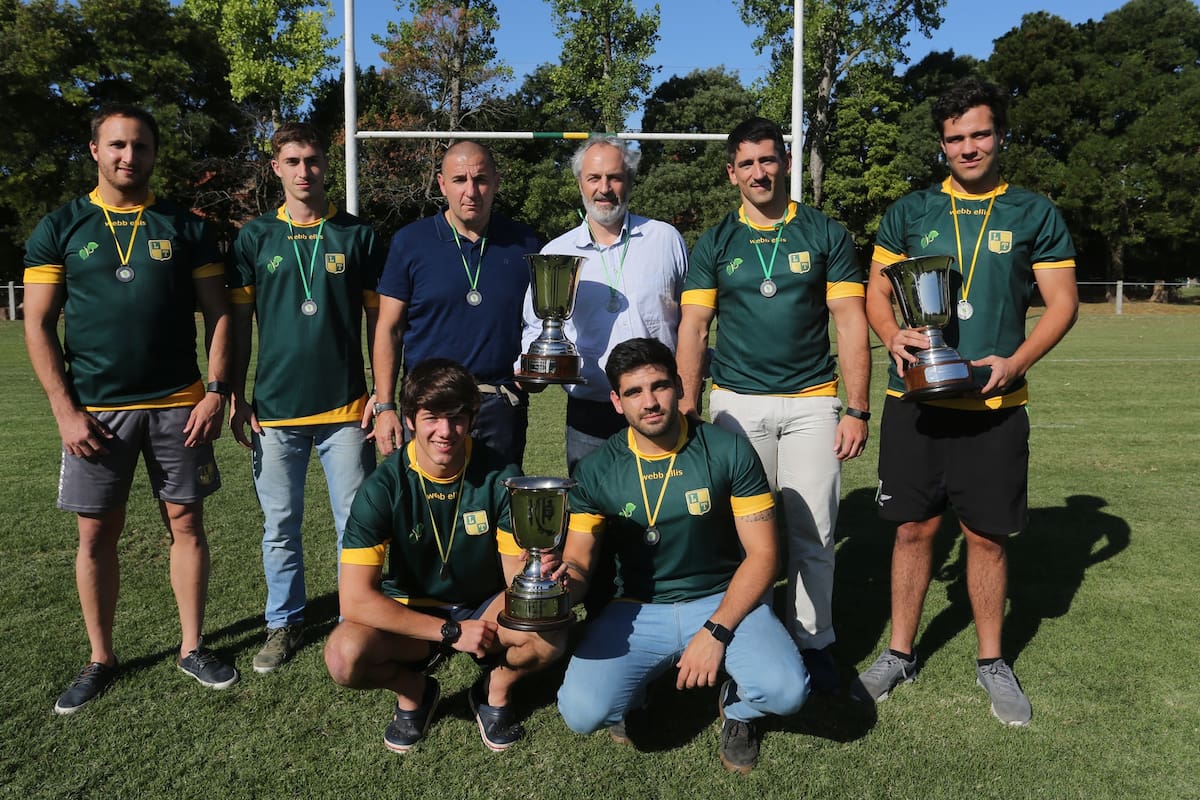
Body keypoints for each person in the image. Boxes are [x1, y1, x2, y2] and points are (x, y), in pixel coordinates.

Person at [856, 77, 1078, 727]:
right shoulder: (910, 210)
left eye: (980, 134)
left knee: (985, 536)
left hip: (994, 407)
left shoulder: (1033, 212)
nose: (969, 147)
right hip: (915, 400)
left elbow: (1062, 304)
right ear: (942, 145)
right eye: (956, 138)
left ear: (1000, 135)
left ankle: (991, 662)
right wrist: (890, 331)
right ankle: (898, 652)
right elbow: (876, 291)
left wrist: (1016, 362)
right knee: (913, 529)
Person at [23, 104, 238, 714]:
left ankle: (192, 646)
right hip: (96, 412)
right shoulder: (60, 226)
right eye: (117, 145)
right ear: (95, 150)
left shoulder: (184, 225)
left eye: (140, 146)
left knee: (187, 524)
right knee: (95, 535)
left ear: (153, 153)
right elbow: (36, 325)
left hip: (179, 406)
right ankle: (100, 658)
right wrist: (65, 411)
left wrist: (216, 391)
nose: (129, 156)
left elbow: (220, 314)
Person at [675, 117, 871, 692]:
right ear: (730, 172)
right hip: (737, 403)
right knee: (743, 537)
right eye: (747, 163)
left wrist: (856, 408)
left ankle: (815, 644)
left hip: (813, 401)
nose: (759, 172)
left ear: (785, 161)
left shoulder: (825, 232)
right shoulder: (713, 241)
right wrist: (689, 404)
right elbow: (693, 328)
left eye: (769, 159)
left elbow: (850, 322)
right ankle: (748, 643)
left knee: (815, 533)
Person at [555, 338, 809, 774]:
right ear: (616, 402)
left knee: (786, 692)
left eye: (659, 386)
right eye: (634, 392)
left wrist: (715, 632)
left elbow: (765, 556)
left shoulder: (727, 450)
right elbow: (578, 564)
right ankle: (637, 691)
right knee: (582, 712)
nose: (649, 402)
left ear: (678, 386)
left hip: (720, 600)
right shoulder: (596, 469)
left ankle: (738, 709)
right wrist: (559, 585)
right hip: (634, 609)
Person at [323, 359, 564, 754]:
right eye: (432, 417)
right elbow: (354, 599)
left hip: (483, 609)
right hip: (412, 614)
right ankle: (415, 691)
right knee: (342, 655)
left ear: (472, 418)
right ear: (411, 419)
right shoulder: (384, 486)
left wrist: (541, 577)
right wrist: (450, 633)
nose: (446, 431)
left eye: (457, 418)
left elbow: (513, 574)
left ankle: (493, 690)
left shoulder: (500, 474)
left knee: (548, 632)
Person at [228, 122, 384, 674]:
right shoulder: (254, 237)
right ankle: (284, 622)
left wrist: (382, 395)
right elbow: (239, 326)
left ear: (327, 164)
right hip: (273, 411)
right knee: (280, 525)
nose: (304, 171)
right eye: (292, 161)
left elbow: (380, 323)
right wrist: (234, 393)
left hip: (346, 410)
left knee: (355, 524)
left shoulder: (357, 234)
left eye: (313, 160)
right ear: (276, 167)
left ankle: (356, 615)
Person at [522, 136, 688, 474]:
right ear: (580, 183)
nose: (604, 188)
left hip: (658, 406)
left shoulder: (665, 239)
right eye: (594, 178)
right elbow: (536, 328)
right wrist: (532, 367)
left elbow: (692, 321)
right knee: (593, 517)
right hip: (590, 415)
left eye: (614, 177)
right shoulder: (557, 251)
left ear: (628, 180)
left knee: (664, 513)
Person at [372, 141, 540, 467]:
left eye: (480, 179)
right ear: (441, 183)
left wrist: (535, 370)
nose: (471, 191)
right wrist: (385, 406)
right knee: (431, 511)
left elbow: (539, 324)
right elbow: (389, 328)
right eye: (460, 180)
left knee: (496, 511)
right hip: (429, 406)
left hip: (498, 403)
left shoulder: (526, 243)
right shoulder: (410, 242)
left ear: (496, 181)